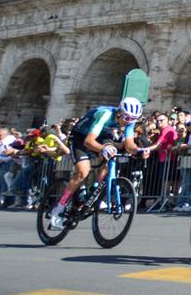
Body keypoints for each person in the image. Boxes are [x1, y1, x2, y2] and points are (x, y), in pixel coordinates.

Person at [47, 96, 143, 230]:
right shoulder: (105, 114)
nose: (129, 121)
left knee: (112, 155)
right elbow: (89, 142)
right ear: (119, 113)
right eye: (127, 118)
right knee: (83, 171)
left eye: (133, 119)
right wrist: (103, 149)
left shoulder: (129, 121)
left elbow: (129, 145)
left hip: (103, 136)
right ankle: (59, 208)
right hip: (81, 137)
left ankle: (95, 188)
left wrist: (140, 151)